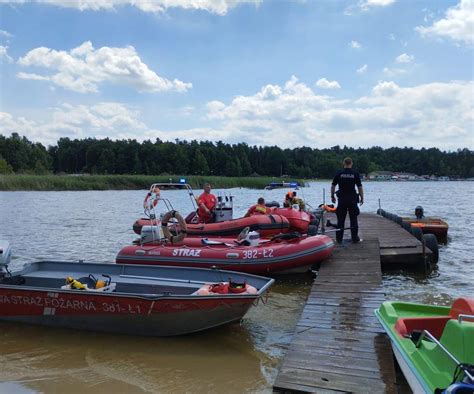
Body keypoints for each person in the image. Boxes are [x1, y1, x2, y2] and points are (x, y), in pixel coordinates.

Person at [331, 157, 364, 244]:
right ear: (351, 163)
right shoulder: (355, 174)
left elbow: (333, 185)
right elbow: (360, 187)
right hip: (352, 199)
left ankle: (339, 239)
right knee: (353, 219)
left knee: (341, 220)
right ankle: (355, 238)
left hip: (342, 200)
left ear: (344, 163)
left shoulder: (339, 173)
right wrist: (362, 198)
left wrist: (332, 196)